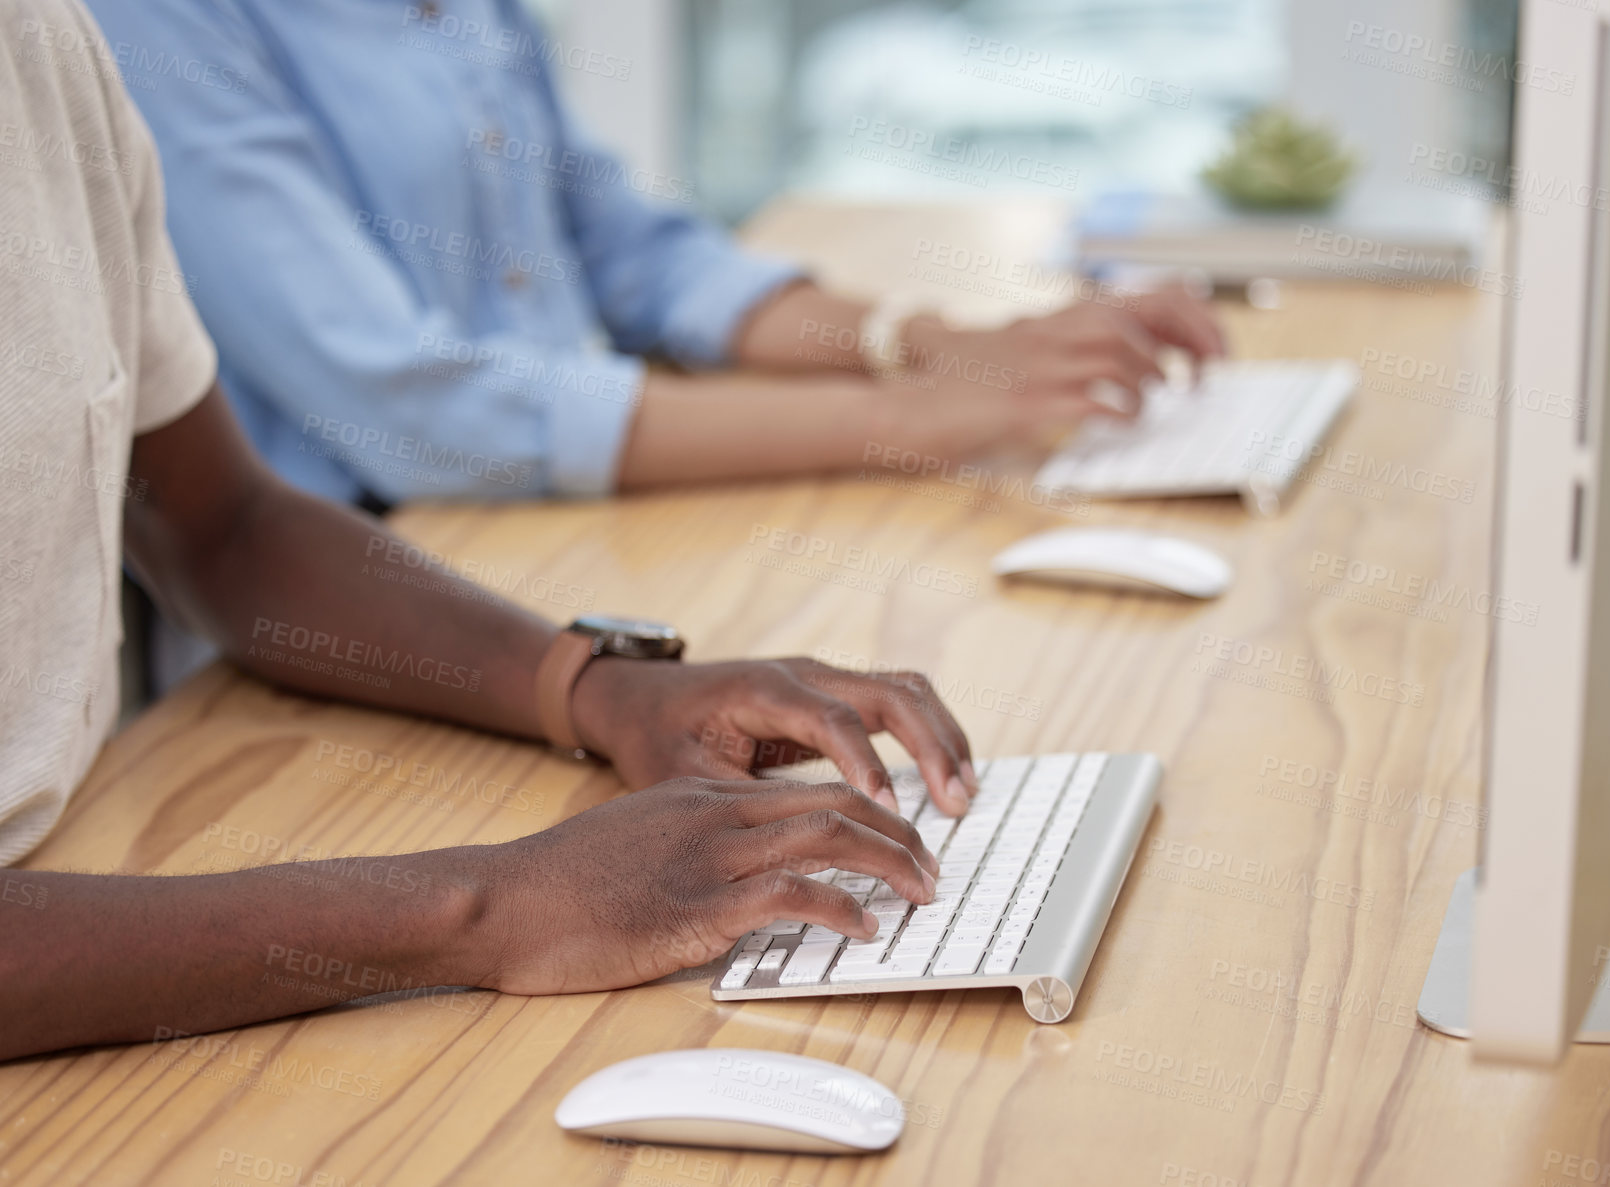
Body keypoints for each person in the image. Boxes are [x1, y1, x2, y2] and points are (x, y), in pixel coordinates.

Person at [0, 0, 969, 1064]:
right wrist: (487, 905)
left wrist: (598, 682)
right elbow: (408, 409)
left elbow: (223, 524)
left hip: (93, 856)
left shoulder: (48, 45)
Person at [80, 0, 1226, 509]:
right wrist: (914, 418)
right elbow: (415, 412)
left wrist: (938, 342)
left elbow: (636, 257)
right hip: (376, 590)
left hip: (575, 514)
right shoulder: (152, 20)